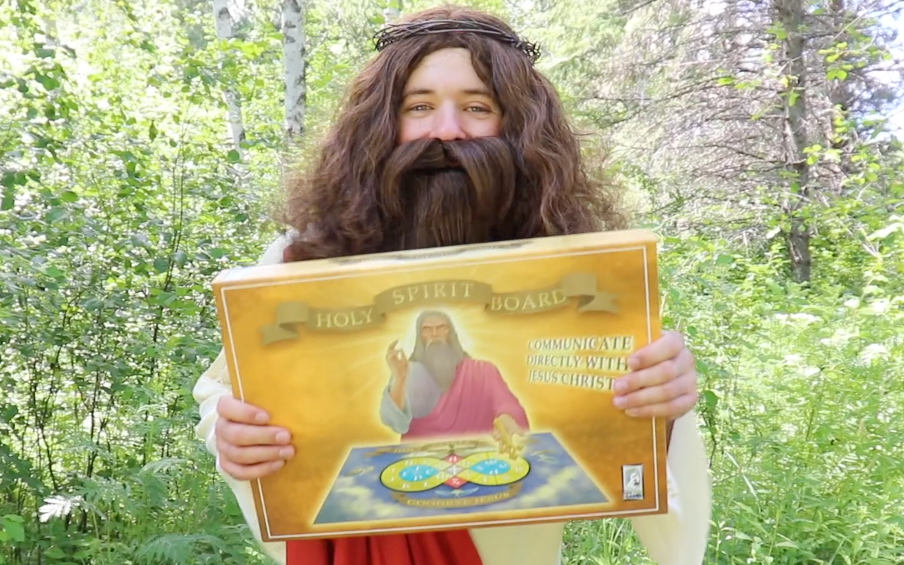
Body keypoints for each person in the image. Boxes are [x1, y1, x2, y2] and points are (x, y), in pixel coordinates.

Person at [193, 5, 711, 565]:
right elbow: (228, 394)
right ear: (379, 126)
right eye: (419, 107)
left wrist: (665, 399)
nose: (446, 130)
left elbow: (559, 423)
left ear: (517, 125)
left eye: (476, 107)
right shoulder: (302, 258)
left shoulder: (578, 267)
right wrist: (230, 434)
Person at [379, 310, 530, 441]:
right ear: (420, 336)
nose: (434, 334)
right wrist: (400, 378)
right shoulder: (407, 372)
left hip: (479, 456)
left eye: (441, 328)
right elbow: (395, 422)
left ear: (451, 333)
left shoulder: (483, 370)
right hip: (420, 458)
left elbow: (507, 403)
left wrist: (507, 418)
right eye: (427, 329)